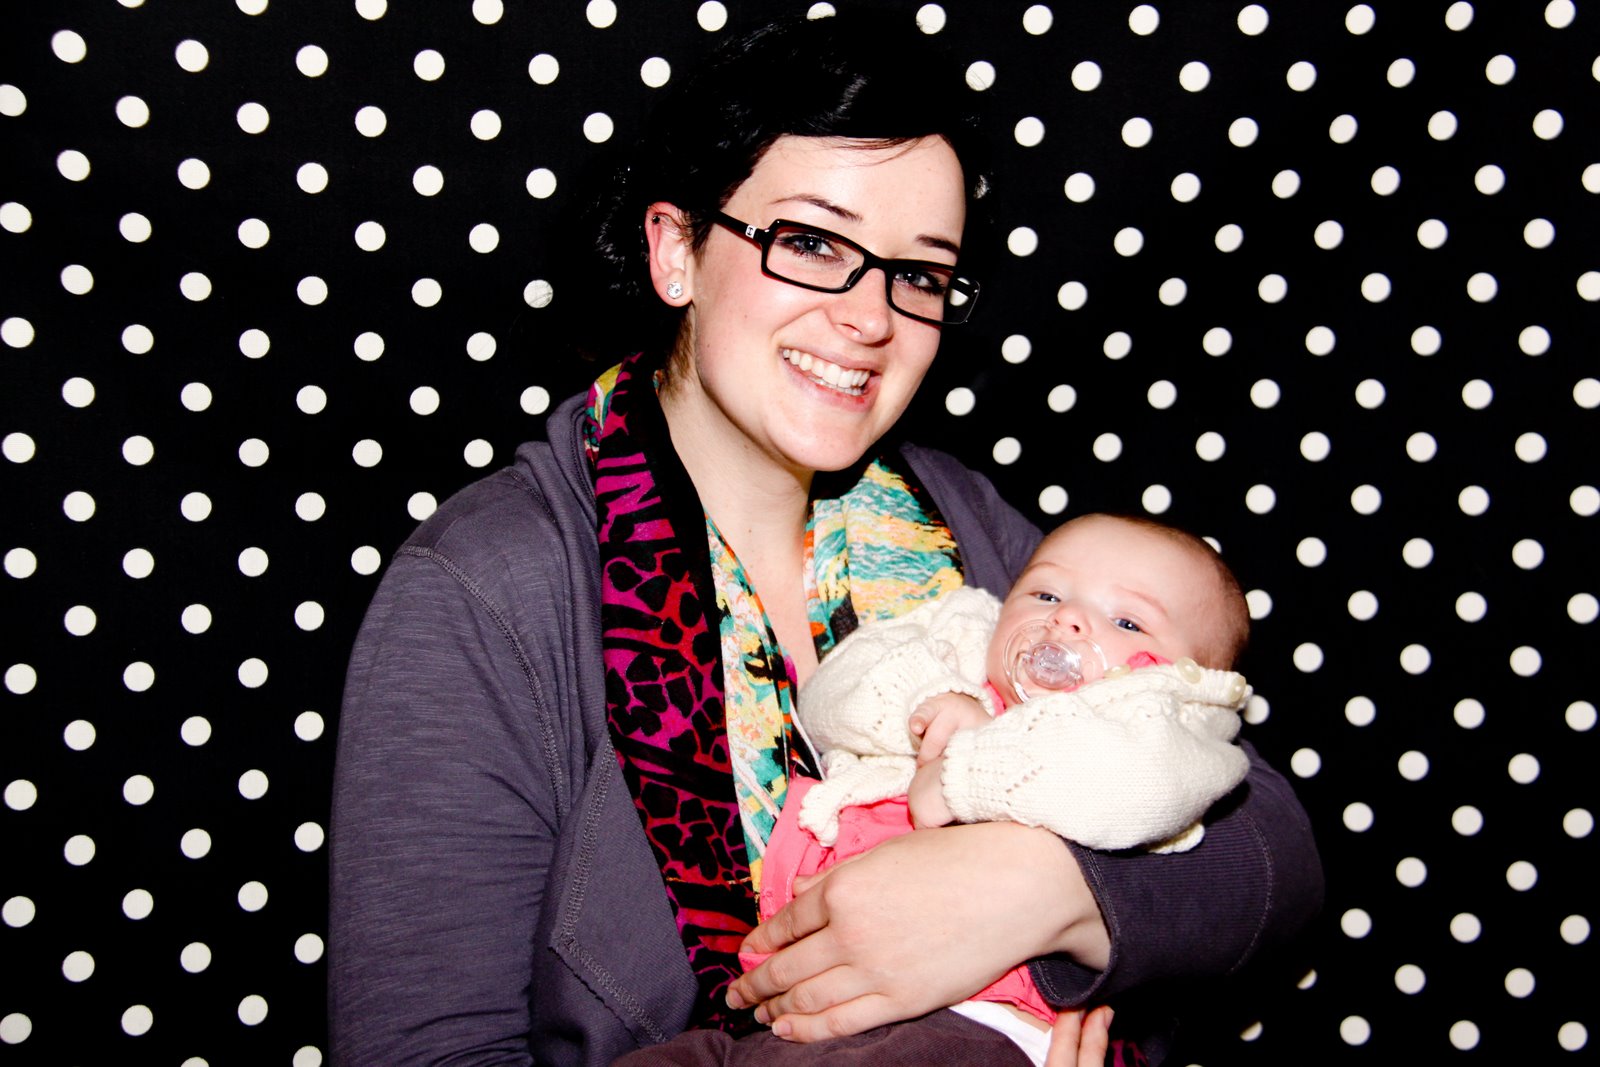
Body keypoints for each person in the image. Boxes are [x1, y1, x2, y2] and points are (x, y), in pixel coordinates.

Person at [328, 12, 1323, 1067]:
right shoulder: (487, 588)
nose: (871, 317)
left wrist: (1040, 892)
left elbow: (1271, 848)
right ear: (675, 249)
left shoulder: (963, 522)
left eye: (919, 273)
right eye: (811, 243)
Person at [733, 514, 1257, 1066]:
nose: (1067, 617)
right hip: (790, 1005)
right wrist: (932, 702)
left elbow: (1134, 784)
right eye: (1046, 593)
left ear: (1191, 678)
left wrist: (965, 769)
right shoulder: (964, 635)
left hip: (980, 1020)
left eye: (1127, 622)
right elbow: (829, 692)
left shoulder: (1165, 724)